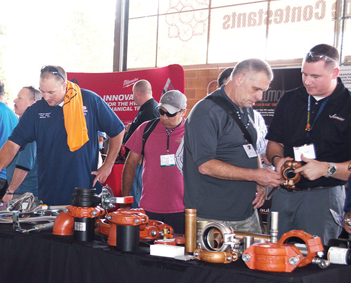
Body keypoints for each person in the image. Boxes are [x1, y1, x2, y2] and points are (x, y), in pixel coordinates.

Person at [0, 65, 125, 206]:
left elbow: (117, 130)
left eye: (51, 92)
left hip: (85, 190)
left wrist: (108, 164)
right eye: (42, 91)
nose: (46, 97)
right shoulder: (36, 111)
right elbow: (13, 143)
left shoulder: (89, 100)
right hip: (50, 193)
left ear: (64, 85)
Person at [183, 59, 281, 233]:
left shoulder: (245, 107)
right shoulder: (206, 113)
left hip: (246, 212)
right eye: (256, 89)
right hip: (212, 216)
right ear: (240, 79)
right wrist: (254, 175)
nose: (259, 97)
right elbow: (206, 165)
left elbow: (251, 148)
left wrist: (259, 182)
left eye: (263, 91)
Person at [266, 44, 351, 244]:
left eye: (315, 76)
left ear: (334, 73)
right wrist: (278, 160)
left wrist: (326, 169)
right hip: (284, 193)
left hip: (323, 197)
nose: (307, 81)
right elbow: (274, 142)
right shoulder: (290, 99)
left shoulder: (347, 106)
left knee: (314, 262)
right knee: (274, 254)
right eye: (304, 74)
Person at [122, 90, 187, 233]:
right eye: (161, 112)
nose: (164, 117)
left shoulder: (192, 132)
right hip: (149, 208)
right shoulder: (145, 129)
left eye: (170, 114)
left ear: (183, 112)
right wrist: (126, 200)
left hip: (183, 210)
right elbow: (130, 164)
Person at [123, 79, 160, 205]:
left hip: (141, 162)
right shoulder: (145, 109)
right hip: (136, 161)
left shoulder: (152, 110)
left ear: (138, 93)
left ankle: (138, 222)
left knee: (137, 200)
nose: (133, 96)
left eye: (133, 93)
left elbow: (153, 139)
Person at [2, 86, 41, 204]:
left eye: (19, 98)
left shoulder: (31, 129)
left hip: (25, 194)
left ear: (32, 104)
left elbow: (24, 166)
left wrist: (10, 191)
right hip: (23, 191)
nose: (14, 100)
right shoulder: (26, 126)